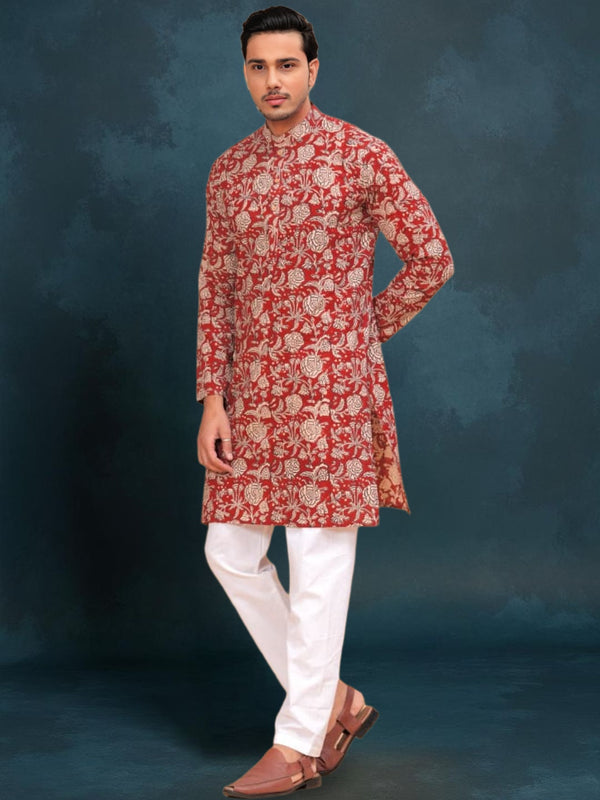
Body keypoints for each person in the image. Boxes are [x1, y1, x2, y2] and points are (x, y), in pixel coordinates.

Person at [196, 6, 454, 797]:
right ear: (246, 72)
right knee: (228, 551)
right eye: (258, 66)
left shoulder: (359, 155)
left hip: (331, 397)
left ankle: (298, 742)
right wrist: (212, 397)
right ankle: (334, 701)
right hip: (252, 398)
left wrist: (357, 332)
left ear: (313, 69)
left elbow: (431, 257)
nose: (272, 80)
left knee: (317, 565)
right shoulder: (229, 171)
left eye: (286, 65)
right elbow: (216, 287)